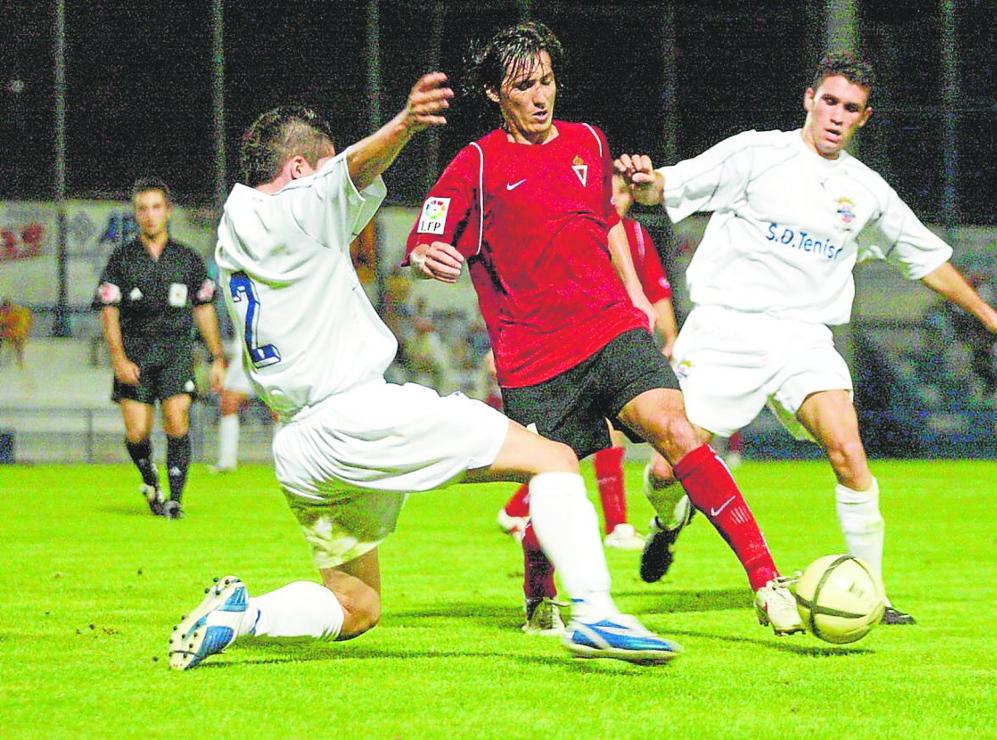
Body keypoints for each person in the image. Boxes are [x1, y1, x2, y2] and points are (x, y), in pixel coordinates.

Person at [168, 73, 677, 671]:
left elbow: (342, 182)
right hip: (354, 413)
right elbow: (353, 169)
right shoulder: (289, 209)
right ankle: (596, 613)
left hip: (301, 447)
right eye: (322, 170)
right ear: (301, 169)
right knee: (554, 457)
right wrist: (405, 124)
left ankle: (242, 615)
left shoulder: (236, 227)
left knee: (356, 605)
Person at [615, 51, 997, 625]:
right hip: (725, 329)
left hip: (804, 339)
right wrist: (644, 181)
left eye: (852, 108)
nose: (837, 115)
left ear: (863, 118)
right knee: (669, 469)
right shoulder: (756, 154)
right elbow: (668, 187)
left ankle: (874, 592)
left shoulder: (866, 192)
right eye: (830, 101)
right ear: (809, 100)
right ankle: (668, 522)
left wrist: (990, 316)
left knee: (848, 450)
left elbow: (925, 260)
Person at [405, 21, 802, 636]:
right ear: (494, 94)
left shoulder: (588, 141)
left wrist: (639, 295)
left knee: (675, 428)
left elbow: (605, 222)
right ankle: (540, 594)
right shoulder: (477, 162)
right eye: (523, 86)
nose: (540, 97)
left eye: (547, 81)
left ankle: (766, 582)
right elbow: (427, 230)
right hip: (536, 357)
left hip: (612, 329)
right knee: (556, 474)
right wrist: (428, 250)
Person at [495, 202, 678, 552]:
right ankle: (616, 526)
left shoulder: (634, 235)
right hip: (573, 340)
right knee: (584, 439)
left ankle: (519, 508)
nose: (621, 197)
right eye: (614, 189)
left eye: (625, 190)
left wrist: (669, 337)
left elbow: (655, 289)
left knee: (581, 442)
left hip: (619, 337)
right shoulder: (568, 225)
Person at [94, 178, 227, 519]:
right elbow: (108, 311)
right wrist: (119, 359)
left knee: (176, 419)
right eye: (142, 209)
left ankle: (175, 500)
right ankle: (151, 479)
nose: (150, 215)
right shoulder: (122, 259)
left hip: (176, 353)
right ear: (135, 214)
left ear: (168, 211)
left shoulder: (187, 259)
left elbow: (204, 307)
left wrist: (216, 358)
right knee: (137, 432)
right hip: (135, 356)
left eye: (156, 207)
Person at [210, 331, 254, 473]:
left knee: (280, 408)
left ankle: (287, 460)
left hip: (274, 340)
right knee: (228, 402)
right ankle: (227, 461)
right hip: (245, 346)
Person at [0, 298, 33, 367]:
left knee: (17, 348)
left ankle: (18, 363)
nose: (5, 309)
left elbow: (25, 323)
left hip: (17, 334)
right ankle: (15, 363)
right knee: (12, 348)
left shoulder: (18, 313)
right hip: (12, 334)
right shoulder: (5, 313)